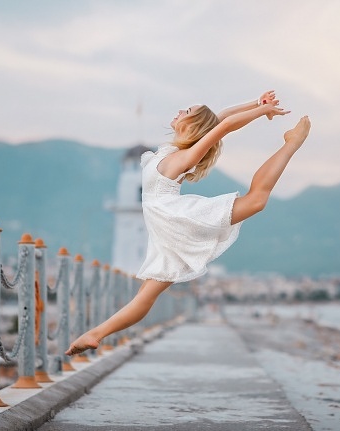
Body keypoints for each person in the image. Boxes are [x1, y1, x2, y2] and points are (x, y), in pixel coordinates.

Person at [66, 91, 311, 355]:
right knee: (256, 200)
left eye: (186, 110)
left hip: (172, 220)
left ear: (193, 123)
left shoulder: (183, 157)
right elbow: (224, 116)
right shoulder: (172, 152)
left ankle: (292, 143)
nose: (180, 111)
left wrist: (262, 111)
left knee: (255, 201)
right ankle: (95, 334)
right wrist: (257, 104)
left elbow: (224, 124)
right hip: (167, 225)